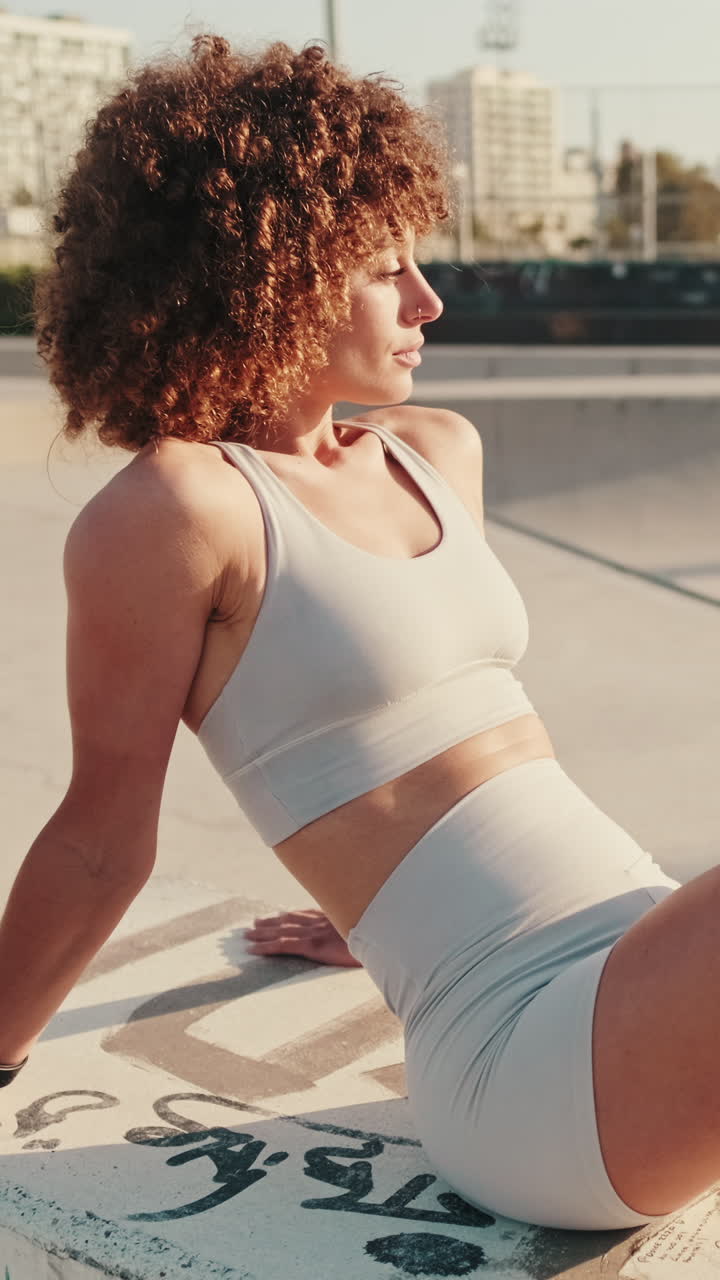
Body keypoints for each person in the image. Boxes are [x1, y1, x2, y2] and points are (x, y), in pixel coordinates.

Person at [4, 32, 715, 1233]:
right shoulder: (180, 507)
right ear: (263, 273)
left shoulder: (438, 451)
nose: (429, 297)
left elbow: (425, 742)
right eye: (385, 266)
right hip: (528, 1059)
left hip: (641, 962)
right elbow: (96, 841)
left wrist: (375, 914)